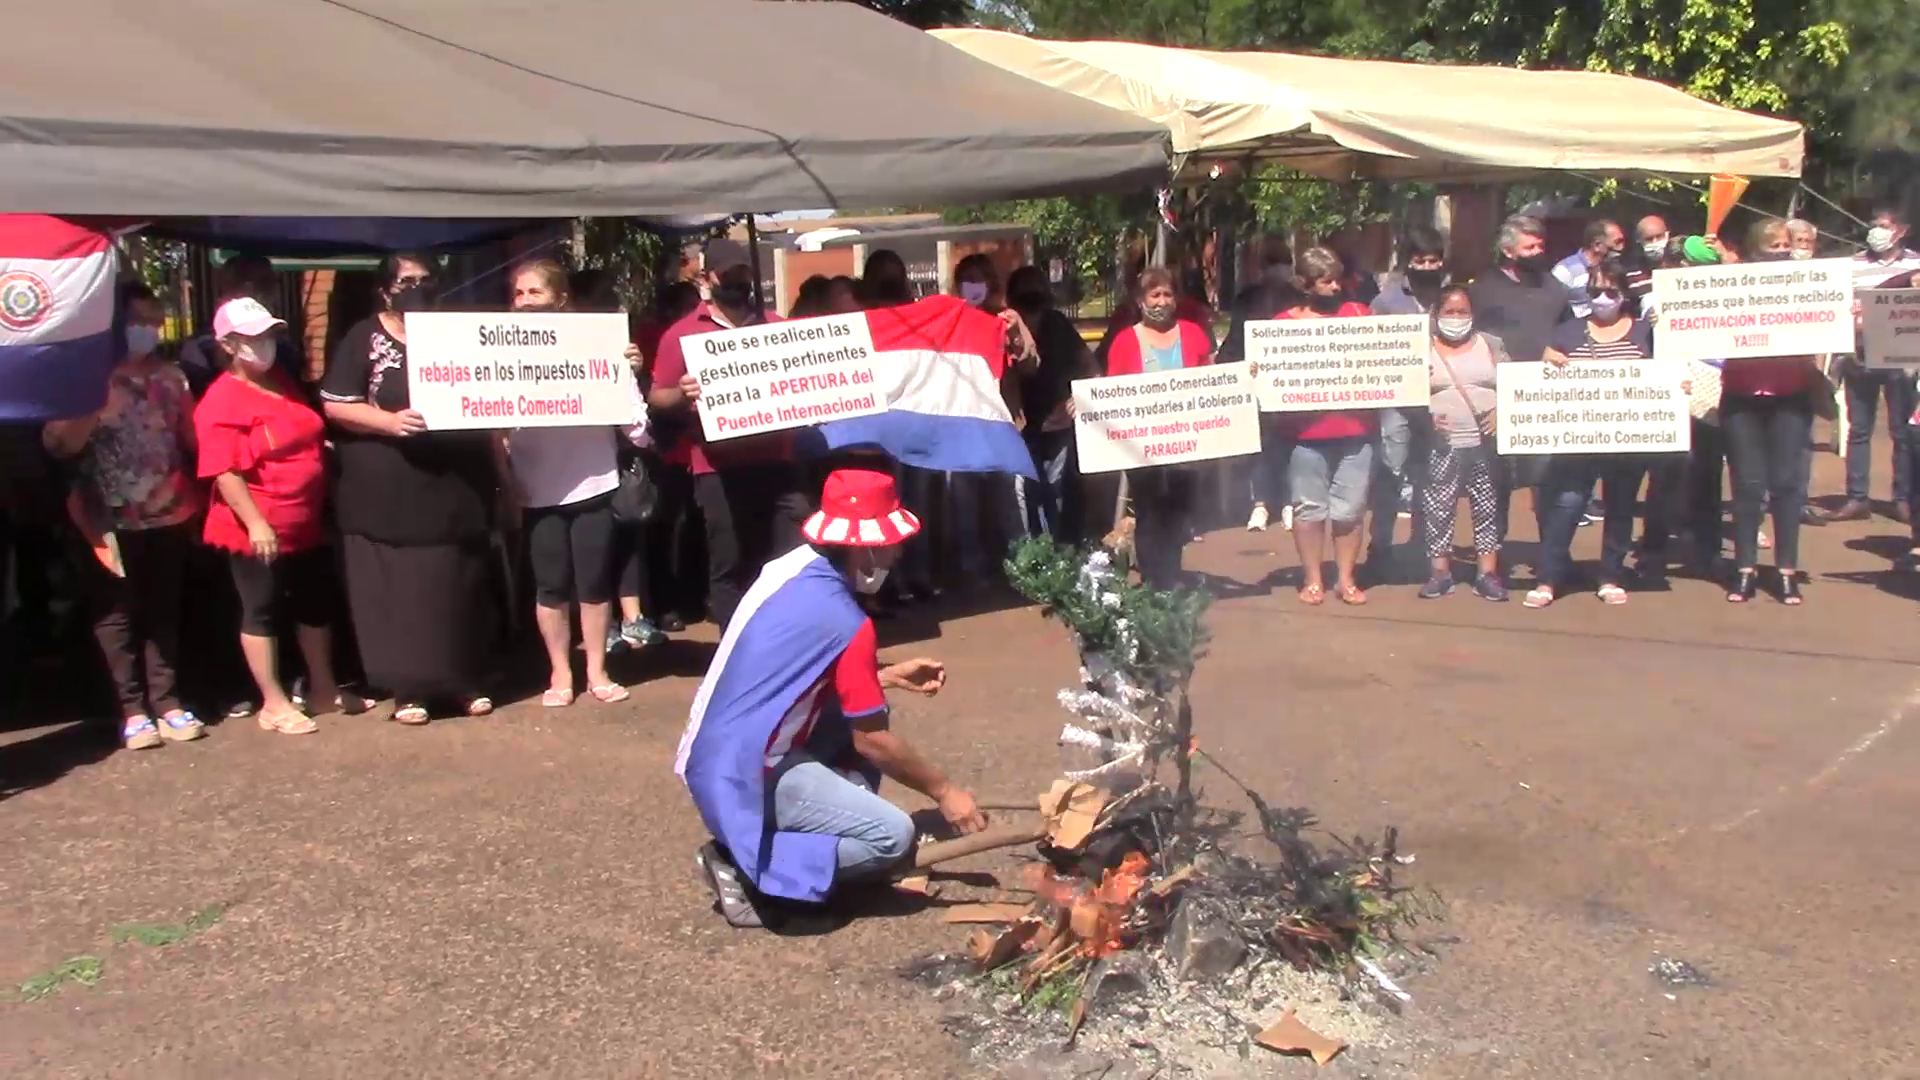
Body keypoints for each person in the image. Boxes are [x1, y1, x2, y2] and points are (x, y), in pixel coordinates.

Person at [676, 468, 986, 929]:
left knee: (861, 717)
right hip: (744, 773)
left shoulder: (790, 568)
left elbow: (795, 663)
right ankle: (746, 866)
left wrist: (885, 674)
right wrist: (945, 791)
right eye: (889, 544)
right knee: (891, 836)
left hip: (713, 753)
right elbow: (872, 742)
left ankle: (784, 835)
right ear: (862, 549)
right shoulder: (848, 623)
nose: (898, 553)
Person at [319, 254, 503, 724]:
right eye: (407, 281)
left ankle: (464, 681)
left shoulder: (455, 334)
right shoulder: (364, 338)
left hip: (457, 490)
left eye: (425, 280)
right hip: (390, 494)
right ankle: (410, 691)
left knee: (459, 586)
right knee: (400, 594)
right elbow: (336, 404)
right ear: (385, 291)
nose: (418, 287)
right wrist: (386, 421)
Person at [43, 282, 205, 749]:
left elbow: (191, 440)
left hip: (170, 512)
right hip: (104, 518)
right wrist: (92, 401)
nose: (148, 331)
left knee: (163, 610)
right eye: (138, 321)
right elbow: (59, 445)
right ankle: (132, 710)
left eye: (154, 322)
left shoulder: (173, 378)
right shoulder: (85, 379)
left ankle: (169, 701)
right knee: (115, 614)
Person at [195, 297, 364, 736]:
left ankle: (324, 689)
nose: (264, 345)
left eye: (268, 335)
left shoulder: (281, 382)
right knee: (262, 609)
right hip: (256, 527)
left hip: (304, 522)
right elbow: (224, 471)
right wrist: (255, 523)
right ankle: (272, 701)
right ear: (229, 345)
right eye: (253, 338)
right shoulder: (220, 400)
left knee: (315, 603)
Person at [501, 259, 648, 707]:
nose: (524, 302)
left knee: (594, 584)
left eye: (535, 293)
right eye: (518, 294)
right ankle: (561, 674)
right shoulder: (495, 350)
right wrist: (504, 475)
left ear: (560, 299)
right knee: (550, 586)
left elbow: (638, 427)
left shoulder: (600, 343)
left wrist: (630, 374)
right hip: (534, 486)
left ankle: (598, 672)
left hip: (593, 481)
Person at [649, 257, 811, 629]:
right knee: (729, 562)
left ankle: (788, 640)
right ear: (709, 278)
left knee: (792, 556)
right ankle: (734, 648)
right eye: (729, 273)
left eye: (743, 273)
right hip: (716, 467)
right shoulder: (682, 332)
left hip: (776, 462)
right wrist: (682, 393)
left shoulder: (775, 325)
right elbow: (658, 396)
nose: (737, 280)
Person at [1528, 261, 1666, 608]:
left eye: (1610, 292)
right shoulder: (1569, 332)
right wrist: (1548, 362)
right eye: (1594, 292)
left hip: (1630, 435)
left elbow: (1664, 374)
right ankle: (1548, 578)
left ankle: (1610, 575)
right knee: (1568, 503)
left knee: (1620, 506)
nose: (1602, 298)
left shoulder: (1644, 332)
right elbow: (1543, 377)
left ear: (1624, 295)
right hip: (1578, 435)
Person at [1269, 248, 1376, 605]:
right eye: (1325, 281)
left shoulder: (1360, 314)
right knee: (1309, 509)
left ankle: (1346, 580)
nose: (1334, 287)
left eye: (1336, 279)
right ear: (1305, 284)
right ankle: (1313, 579)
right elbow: (1269, 373)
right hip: (1306, 437)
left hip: (1356, 431)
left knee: (1350, 510)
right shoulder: (1281, 326)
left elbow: (1386, 359)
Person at [1721, 221, 1820, 604]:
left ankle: (1785, 571)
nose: (1781, 250)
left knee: (1786, 485)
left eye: (1786, 244)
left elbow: (1830, 321)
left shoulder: (1809, 285)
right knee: (1747, 486)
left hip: (1790, 394)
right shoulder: (1731, 284)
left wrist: (1844, 314)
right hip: (1741, 394)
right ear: (1755, 249)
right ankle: (1744, 568)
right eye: (1773, 245)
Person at [1104, 267, 1214, 588]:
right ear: (1140, 301)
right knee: (1150, 512)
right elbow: (1113, 391)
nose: (1161, 301)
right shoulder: (1125, 341)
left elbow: (1211, 377)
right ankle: (1155, 579)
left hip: (1187, 443)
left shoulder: (1193, 334)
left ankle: (1171, 570)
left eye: (1167, 294)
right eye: (1155, 294)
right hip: (1144, 445)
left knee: (1179, 512)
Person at [1469, 215, 1574, 543]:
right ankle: (1492, 554)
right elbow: (1473, 339)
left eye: (1541, 245)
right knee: (1496, 482)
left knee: (1546, 481)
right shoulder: (1484, 289)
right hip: (1497, 400)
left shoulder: (1553, 287)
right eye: (1530, 247)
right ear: (1509, 251)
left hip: (1544, 401)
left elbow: (1568, 331)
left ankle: (1551, 556)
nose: (1538, 251)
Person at [1819, 207, 1920, 523]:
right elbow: (1833, 306)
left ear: (1901, 230)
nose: (1876, 231)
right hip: (1858, 355)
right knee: (1858, 429)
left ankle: (1903, 498)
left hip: (1901, 359)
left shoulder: (1917, 265)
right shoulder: (1851, 266)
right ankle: (1856, 497)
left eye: (1884, 226)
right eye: (1873, 225)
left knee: (1902, 431)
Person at [1364, 225, 1450, 582]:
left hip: (1440, 399)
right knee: (1390, 473)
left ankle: (1422, 546)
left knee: (1431, 475)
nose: (1428, 266)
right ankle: (1379, 545)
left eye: (1434, 260)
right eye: (1420, 260)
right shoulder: (1386, 301)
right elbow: (1369, 345)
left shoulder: (1452, 297)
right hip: (1396, 402)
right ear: (1408, 261)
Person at [1418, 286, 1509, 601]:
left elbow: (1514, 386)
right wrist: (1424, 417)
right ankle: (1440, 573)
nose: (1456, 319)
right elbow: (1404, 394)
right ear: (1436, 315)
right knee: (1438, 508)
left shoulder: (1492, 345)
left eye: (1463, 312)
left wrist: (1502, 412)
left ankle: (1488, 574)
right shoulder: (1420, 349)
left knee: (1487, 508)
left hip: (1484, 443)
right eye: (1450, 312)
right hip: (1441, 445)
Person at [1007, 264, 1092, 545]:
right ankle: (1031, 552)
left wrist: (1078, 397)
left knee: (1054, 492)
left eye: (1038, 289)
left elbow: (1088, 365)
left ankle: (1056, 553)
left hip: (1056, 425)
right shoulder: (1004, 326)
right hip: (1016, 428)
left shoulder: (1057, 324)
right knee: (1023, 495)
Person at [1553, 219, 1626, 318]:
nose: (1622, 247)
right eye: (1617, 242)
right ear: (1597, 245)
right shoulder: (1565, 270)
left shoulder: (1618, 267)